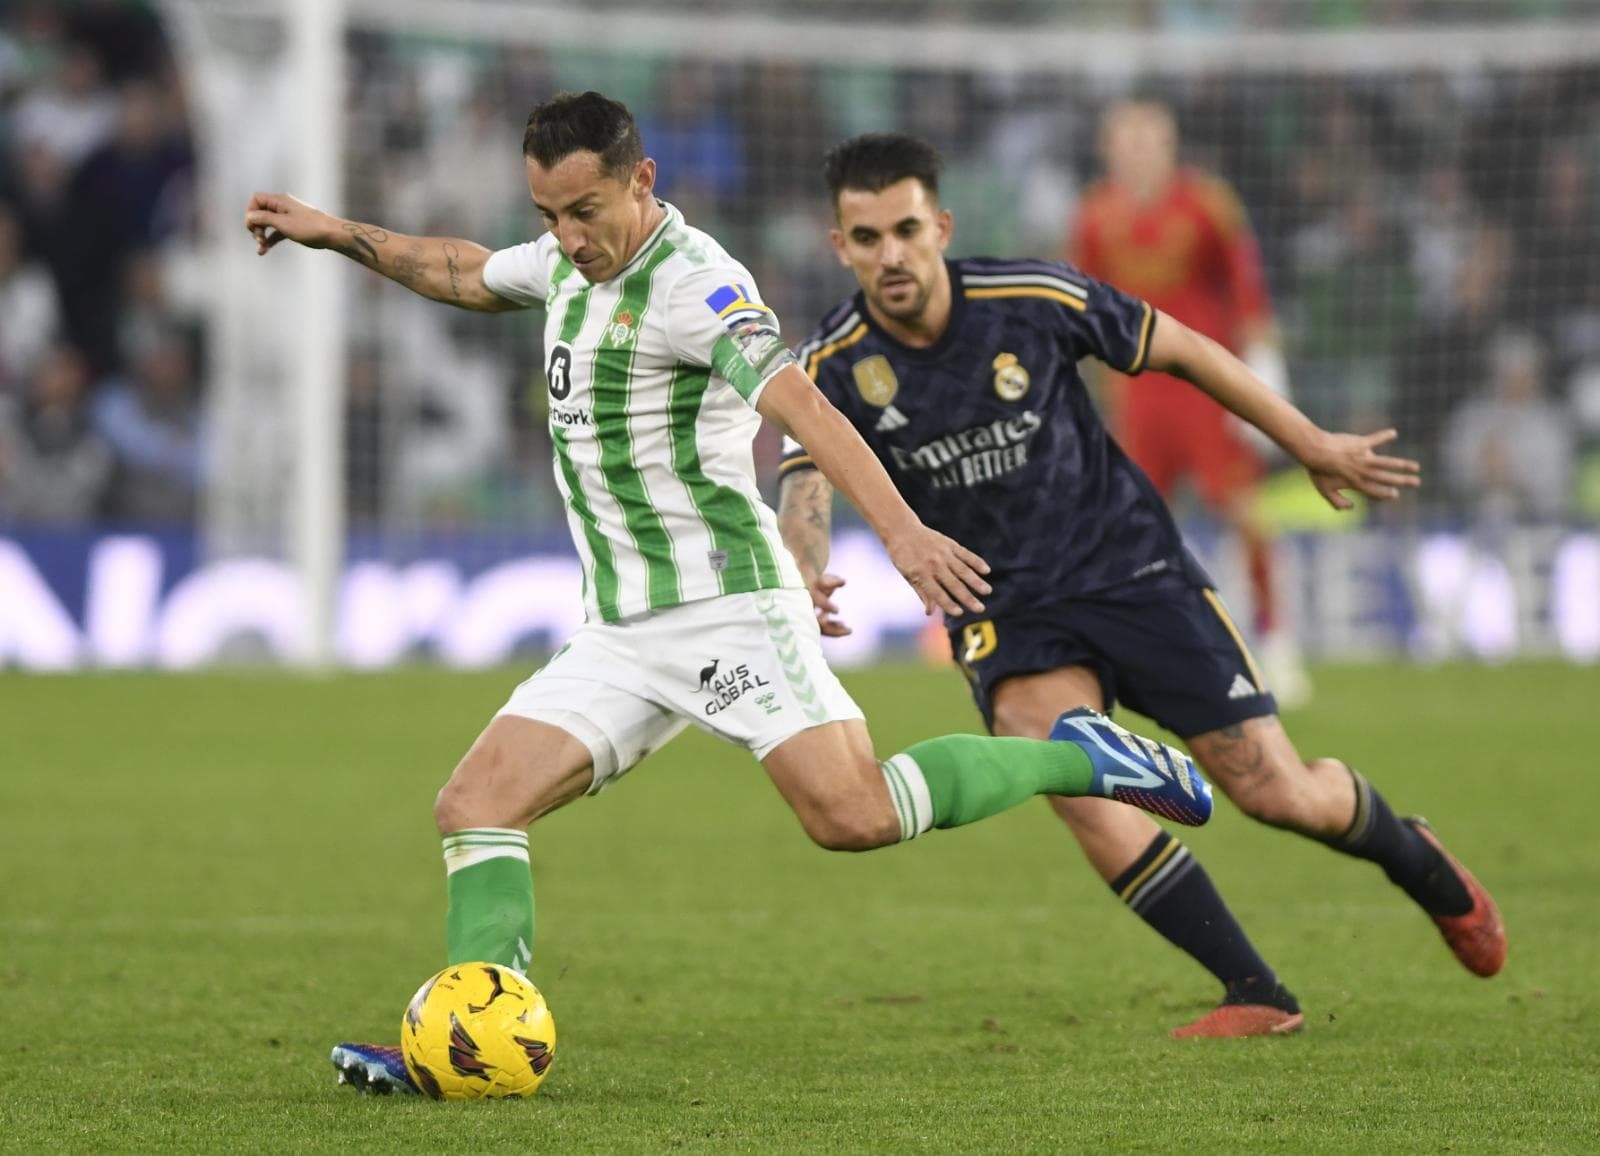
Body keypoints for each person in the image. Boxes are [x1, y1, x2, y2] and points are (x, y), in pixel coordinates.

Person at [243, 91, 1212, 1095]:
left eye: (585, 212)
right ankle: (465, 1043)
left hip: (728, 607)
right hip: (620, 629)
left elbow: (804, 405)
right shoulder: (566, 264)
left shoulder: (699, 285)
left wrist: (903, 532)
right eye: (547, 216)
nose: (567, 239)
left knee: (853, 814)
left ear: (641, 182)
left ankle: (1065, 755)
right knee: (475, 804)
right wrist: (340, 235)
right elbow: (461, 270)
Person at [777, 131, 1505, 1040]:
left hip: (1132, 569)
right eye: (867, 236)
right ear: (838, 244)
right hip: (1007, 609)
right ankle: (1256, 991)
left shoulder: (1030, 298)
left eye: (906, 229)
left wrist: (1308, 442)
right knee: (1065, 772)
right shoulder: (831, 363)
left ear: (942, 226)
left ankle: (1421, 864)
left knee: (1278, 792)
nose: (891, 254)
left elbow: (1188, 351)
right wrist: (802, 566)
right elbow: (803, 477)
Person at [1068, 97, 1312, 706]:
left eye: (1149, 139)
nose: (1139, 151)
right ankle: (1146, 649)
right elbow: (1079, 308)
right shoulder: (1095, 215)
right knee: (1133, 523)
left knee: (1242, 509)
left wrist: (1263, 375)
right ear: (1109, 148)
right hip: (1138, 395)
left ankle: (1276, 641)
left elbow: (1246, 288)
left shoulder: (1208, 204)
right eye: (1127, 140)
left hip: (1206, 387)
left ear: (1171, 145)